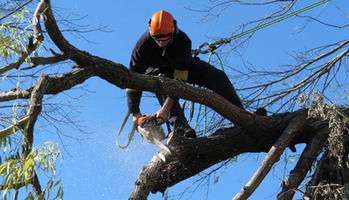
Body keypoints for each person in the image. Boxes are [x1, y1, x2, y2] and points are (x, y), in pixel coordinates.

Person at [126, 10, 244, 138]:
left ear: (173, 31)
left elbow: (179, 81)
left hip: (180, 67)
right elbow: (132, 81)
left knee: (216, 76)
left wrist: (165, 110)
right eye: (158, 39)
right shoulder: (141, 48)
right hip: (156, 73)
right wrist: (135, 112)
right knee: (161, 82)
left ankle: (242, 116)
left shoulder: (183, 41)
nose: (161, 43)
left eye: (165, 40)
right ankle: (182, 128)